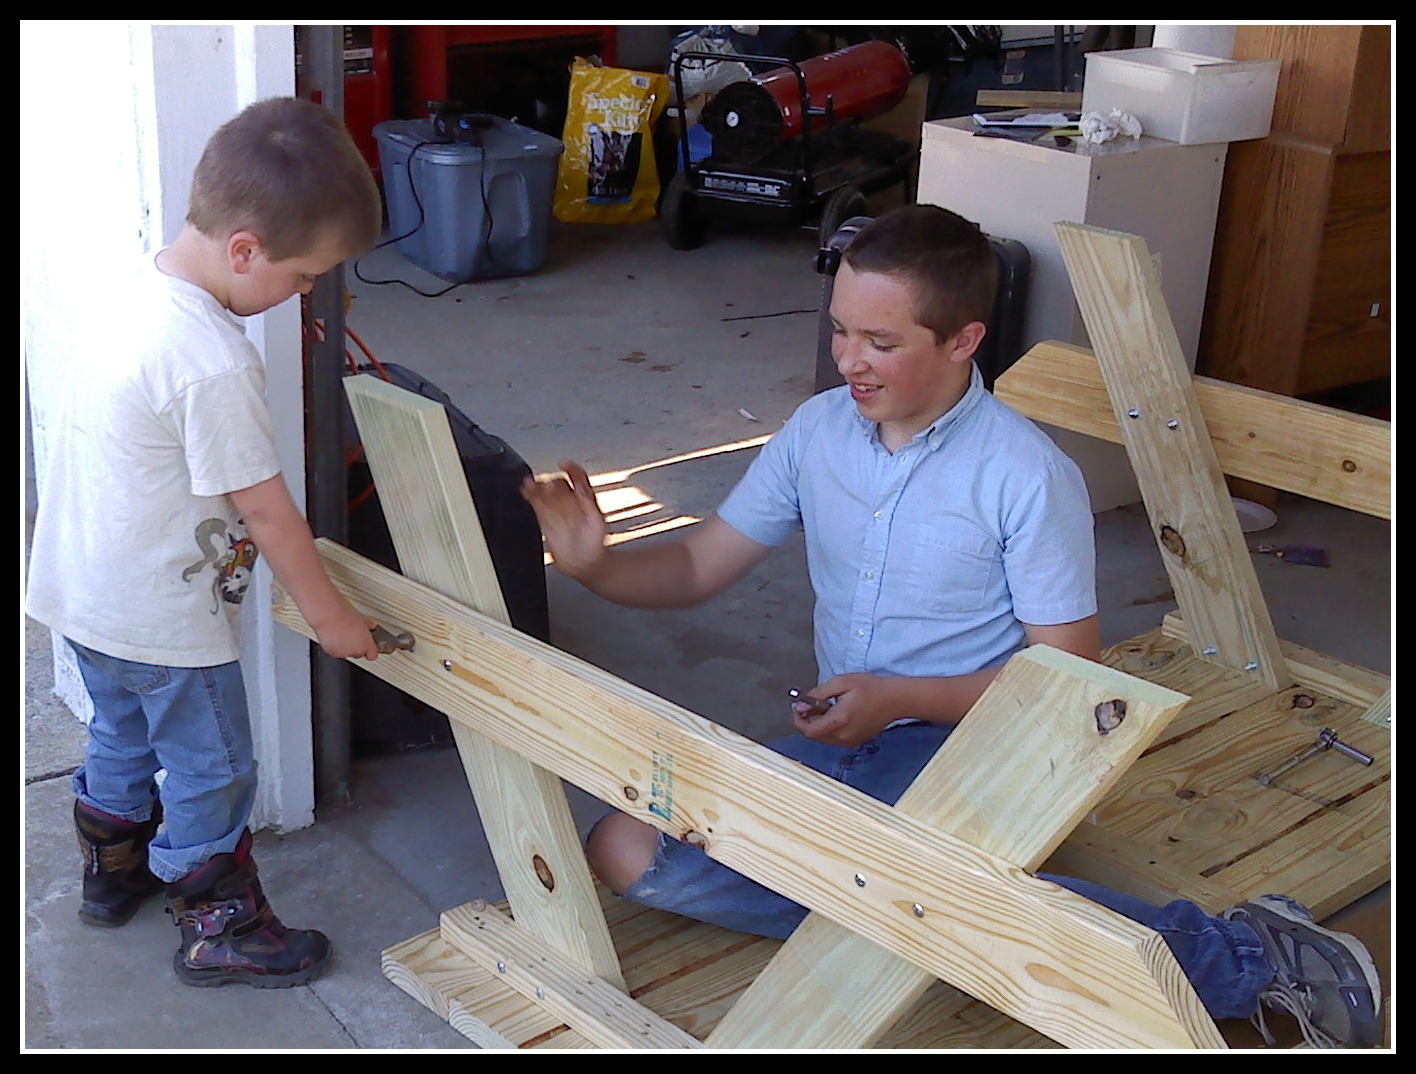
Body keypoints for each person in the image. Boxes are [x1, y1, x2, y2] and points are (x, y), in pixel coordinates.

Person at [521, 203, 1383, 1047]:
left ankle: (1247, 957)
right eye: (840, 330)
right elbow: (698, 565)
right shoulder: (817, 432)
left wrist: (899, 697)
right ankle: (935, 919)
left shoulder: (1025, 475)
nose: (848, 361)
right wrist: (597, 567)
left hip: (976, 745)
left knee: (898, 878)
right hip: (854, 743)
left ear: (963, 340)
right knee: (628, 850)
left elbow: (1068, 686)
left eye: (881, 342)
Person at [25, 96, 385, 989]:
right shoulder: (211, 359)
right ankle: (218, 923)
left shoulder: (135, 290)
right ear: (245, 252)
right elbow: (268, 512)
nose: (307, 294)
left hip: (83, 595)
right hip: (166, 626)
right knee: (212, 767)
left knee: (120, 734)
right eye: (305, 276)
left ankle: (112, 874)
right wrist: (332, 619)